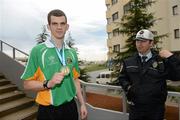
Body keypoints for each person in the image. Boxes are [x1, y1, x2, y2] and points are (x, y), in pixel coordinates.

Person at [21, 9, 87, 120]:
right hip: (48, 110)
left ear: (67, 26)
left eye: (62, 23)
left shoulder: (72, 52)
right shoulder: (38, 51)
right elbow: (27, 84)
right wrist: (48, 83)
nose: (59, 27)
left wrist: (82, 104)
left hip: (70, 107)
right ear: (49, 27)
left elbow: (75, 79)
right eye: (54, 23)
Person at [118, 29, 180, 120]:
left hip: (155, 110)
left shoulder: (161, 61)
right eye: (137, 41)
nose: (139, 44)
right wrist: (128, 87)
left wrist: (171, 57)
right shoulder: (128, 61)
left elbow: (177, 76)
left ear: (151, 43)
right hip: (136, 109)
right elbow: (122, 78)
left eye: (143, 41)